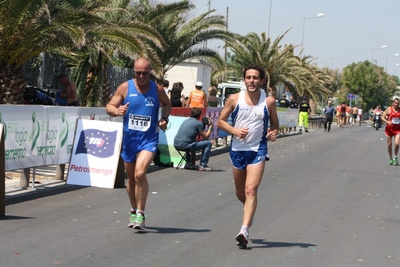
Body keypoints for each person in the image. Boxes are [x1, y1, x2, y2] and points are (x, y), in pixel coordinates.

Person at [105, 57, 171, 230]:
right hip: (130, 140)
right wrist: (117, 110)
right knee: (131, 179)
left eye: (145, 73)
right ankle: (133, 210)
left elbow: (167, 104)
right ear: (134, 71)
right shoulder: (125, 87)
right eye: (138, 73)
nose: (141, 76)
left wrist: (164, 118)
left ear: (150, 72)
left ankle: (141, 213)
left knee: (140, 174)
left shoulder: (157, 89)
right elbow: (109, 107)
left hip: (148, 140)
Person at [217, 63, 279, 248]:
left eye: (255, 78)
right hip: (238, 150)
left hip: (257, 150)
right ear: (244, 79)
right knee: (240, 191)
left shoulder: (268, 101)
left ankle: (244, 230)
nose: (252, 81)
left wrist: (274, 132)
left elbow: (275, 124)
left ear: (261, 81)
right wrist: (235, 131)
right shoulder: (234, 99)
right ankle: (249, 210)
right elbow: (220, 121)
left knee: (251, 189)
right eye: (248, 77)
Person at [381, 98, 400, 165]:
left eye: (398, 103)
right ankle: (390, 158)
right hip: (389, 129)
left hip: (397, 129)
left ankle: (395, 157)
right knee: (389, 145)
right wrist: (387, 121)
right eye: (395, 103)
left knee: (397, 143)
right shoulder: (389, 109)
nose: (396, 104)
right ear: (393, 103)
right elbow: (382, 117)